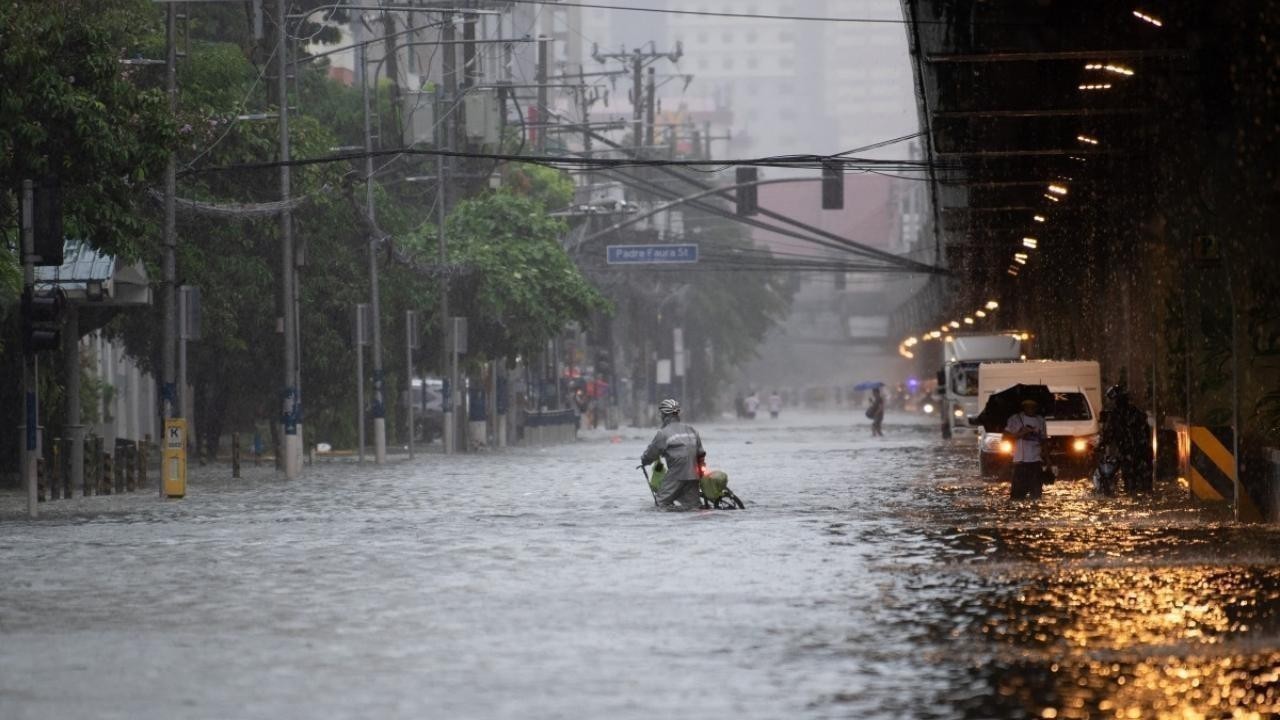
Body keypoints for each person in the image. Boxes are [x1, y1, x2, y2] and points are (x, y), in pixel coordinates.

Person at [641, 399, 705, 510]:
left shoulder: (663, 433)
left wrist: (644, 460)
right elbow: (700, 453)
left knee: (661, 503)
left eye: (661, 414)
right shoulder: (691, 430)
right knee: (693, 507)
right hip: (694, 474)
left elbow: (652, 453)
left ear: (665, 415)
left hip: (677, 474)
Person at [1102, 384, 1153, 493]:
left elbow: (1108, 435)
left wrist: (1102, 443)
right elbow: (1146, 432)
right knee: (1144, 486)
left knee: (1132, 485)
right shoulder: (1137, 412)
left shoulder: (1116, 415)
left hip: (1131, 455)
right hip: (1141, 454)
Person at [1005, 398, 1047, 500]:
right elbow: (1006, 436)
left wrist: (1048, 460)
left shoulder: (1041, 420)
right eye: (1028, 406)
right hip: (1020, 461)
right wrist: (1021, 433)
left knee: (1036, 495)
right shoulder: (1015, 419)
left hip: (1036, 461)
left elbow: (1044, 440)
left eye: (1033, 406)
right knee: (1017, 497)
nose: (1031, 408)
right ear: (1024, 407)